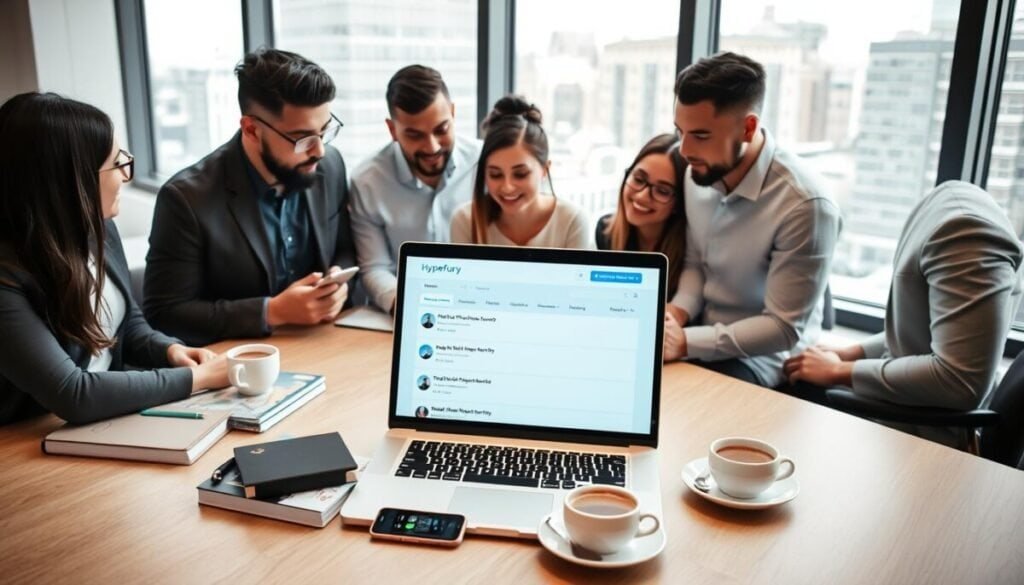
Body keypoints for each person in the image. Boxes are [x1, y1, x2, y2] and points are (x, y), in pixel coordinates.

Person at [0, 93, 229, 426]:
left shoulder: (98, 227)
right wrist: (199, 379)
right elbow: (73, 394)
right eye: (116, 163)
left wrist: (169, 351)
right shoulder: (6, 277)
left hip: (106, 421)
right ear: (70, 180)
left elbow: (124, 323)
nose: (126, 175)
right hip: (28, 443)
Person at [783, 181, 1023, 446]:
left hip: (925, 434)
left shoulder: (965, 235)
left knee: (792, 401)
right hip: (914, 409)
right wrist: (853, 353)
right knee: (797, 379)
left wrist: (840, 370)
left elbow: (958, 380)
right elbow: (925, 329)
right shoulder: (948, 213)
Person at [144, 48, 357, 346]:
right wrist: (271, 312)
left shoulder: (329, 165)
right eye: (302, 138)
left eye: (324, 131)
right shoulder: (186, 199)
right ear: (252, 130)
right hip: (240, 364)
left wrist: (339, 283)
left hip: (323, 343)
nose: (319, 150)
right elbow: (164, 314)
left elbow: (344, 249)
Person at [662, 52, 841, 388]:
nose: (684, 150)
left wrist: (686, 341)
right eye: (679, 131)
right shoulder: (698, 170)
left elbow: (782, 329)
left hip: (761, 359)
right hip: (698, 333)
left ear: (748, 128)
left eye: (700, 135)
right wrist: (678, 312)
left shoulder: (806, 205)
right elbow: (696, 263)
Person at [350, 65, 481, 314]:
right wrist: (408, 307)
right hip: (407, 311)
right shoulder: (367, 181)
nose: (431, 147)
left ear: (453, 114)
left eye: (441, 129)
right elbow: (375, 267)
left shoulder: (487, 164)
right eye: (414, 135)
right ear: (392, 130)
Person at [449, 96, 593, 248]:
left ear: (545, 169)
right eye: (495, 174)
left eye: (520, 174)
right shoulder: (465, 220)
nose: (507, 187)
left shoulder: (572, 221)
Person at [596, 133, 687, 298]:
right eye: (638, 179)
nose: (642, 196)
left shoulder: (690, 250)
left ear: (678, 204)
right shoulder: (605, 231)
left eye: (662, 191)